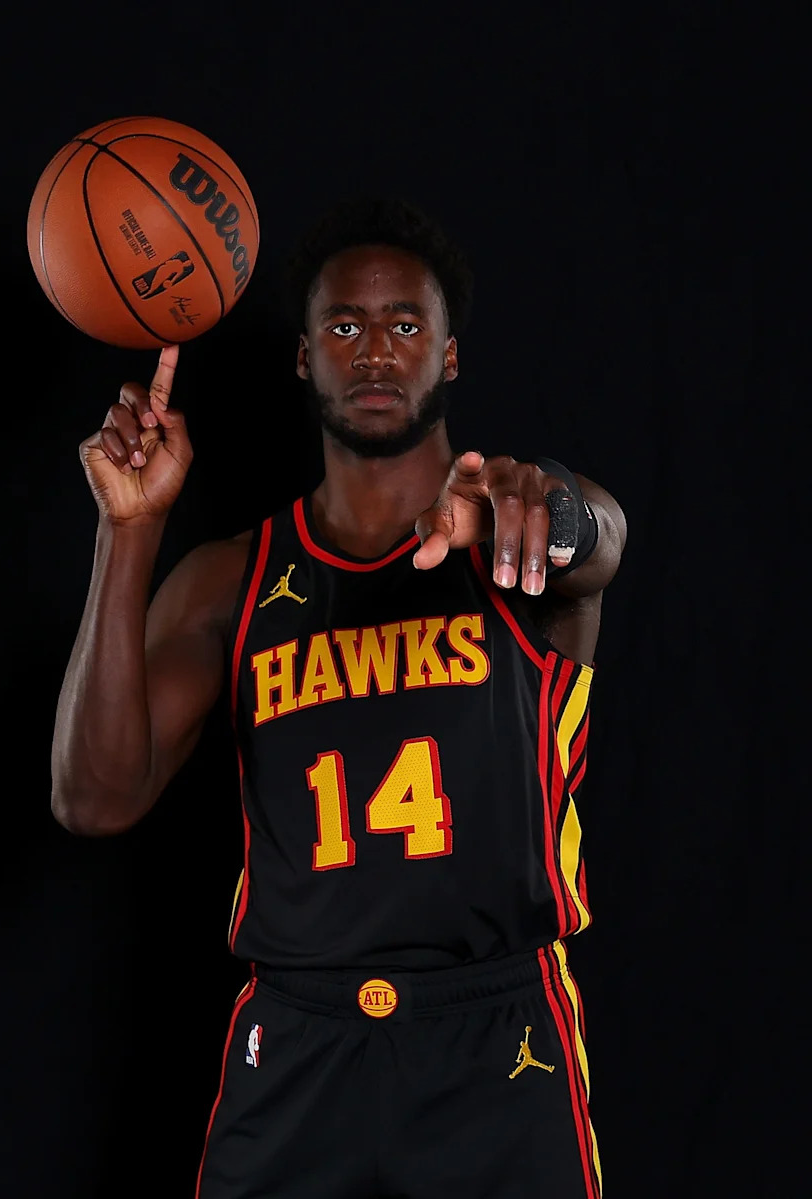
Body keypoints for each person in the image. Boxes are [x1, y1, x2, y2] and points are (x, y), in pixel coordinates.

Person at [51, 197, 627, 1198]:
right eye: (345, 326)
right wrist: (128, 531)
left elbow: (594, 540)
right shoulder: (233, 578)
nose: (375, 350)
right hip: (298, 1042)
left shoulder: (512, 534)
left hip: (496, 1041)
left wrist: (553, 505)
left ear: (448, 356)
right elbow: (95, 796)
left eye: (406, 323)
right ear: (305, 358)